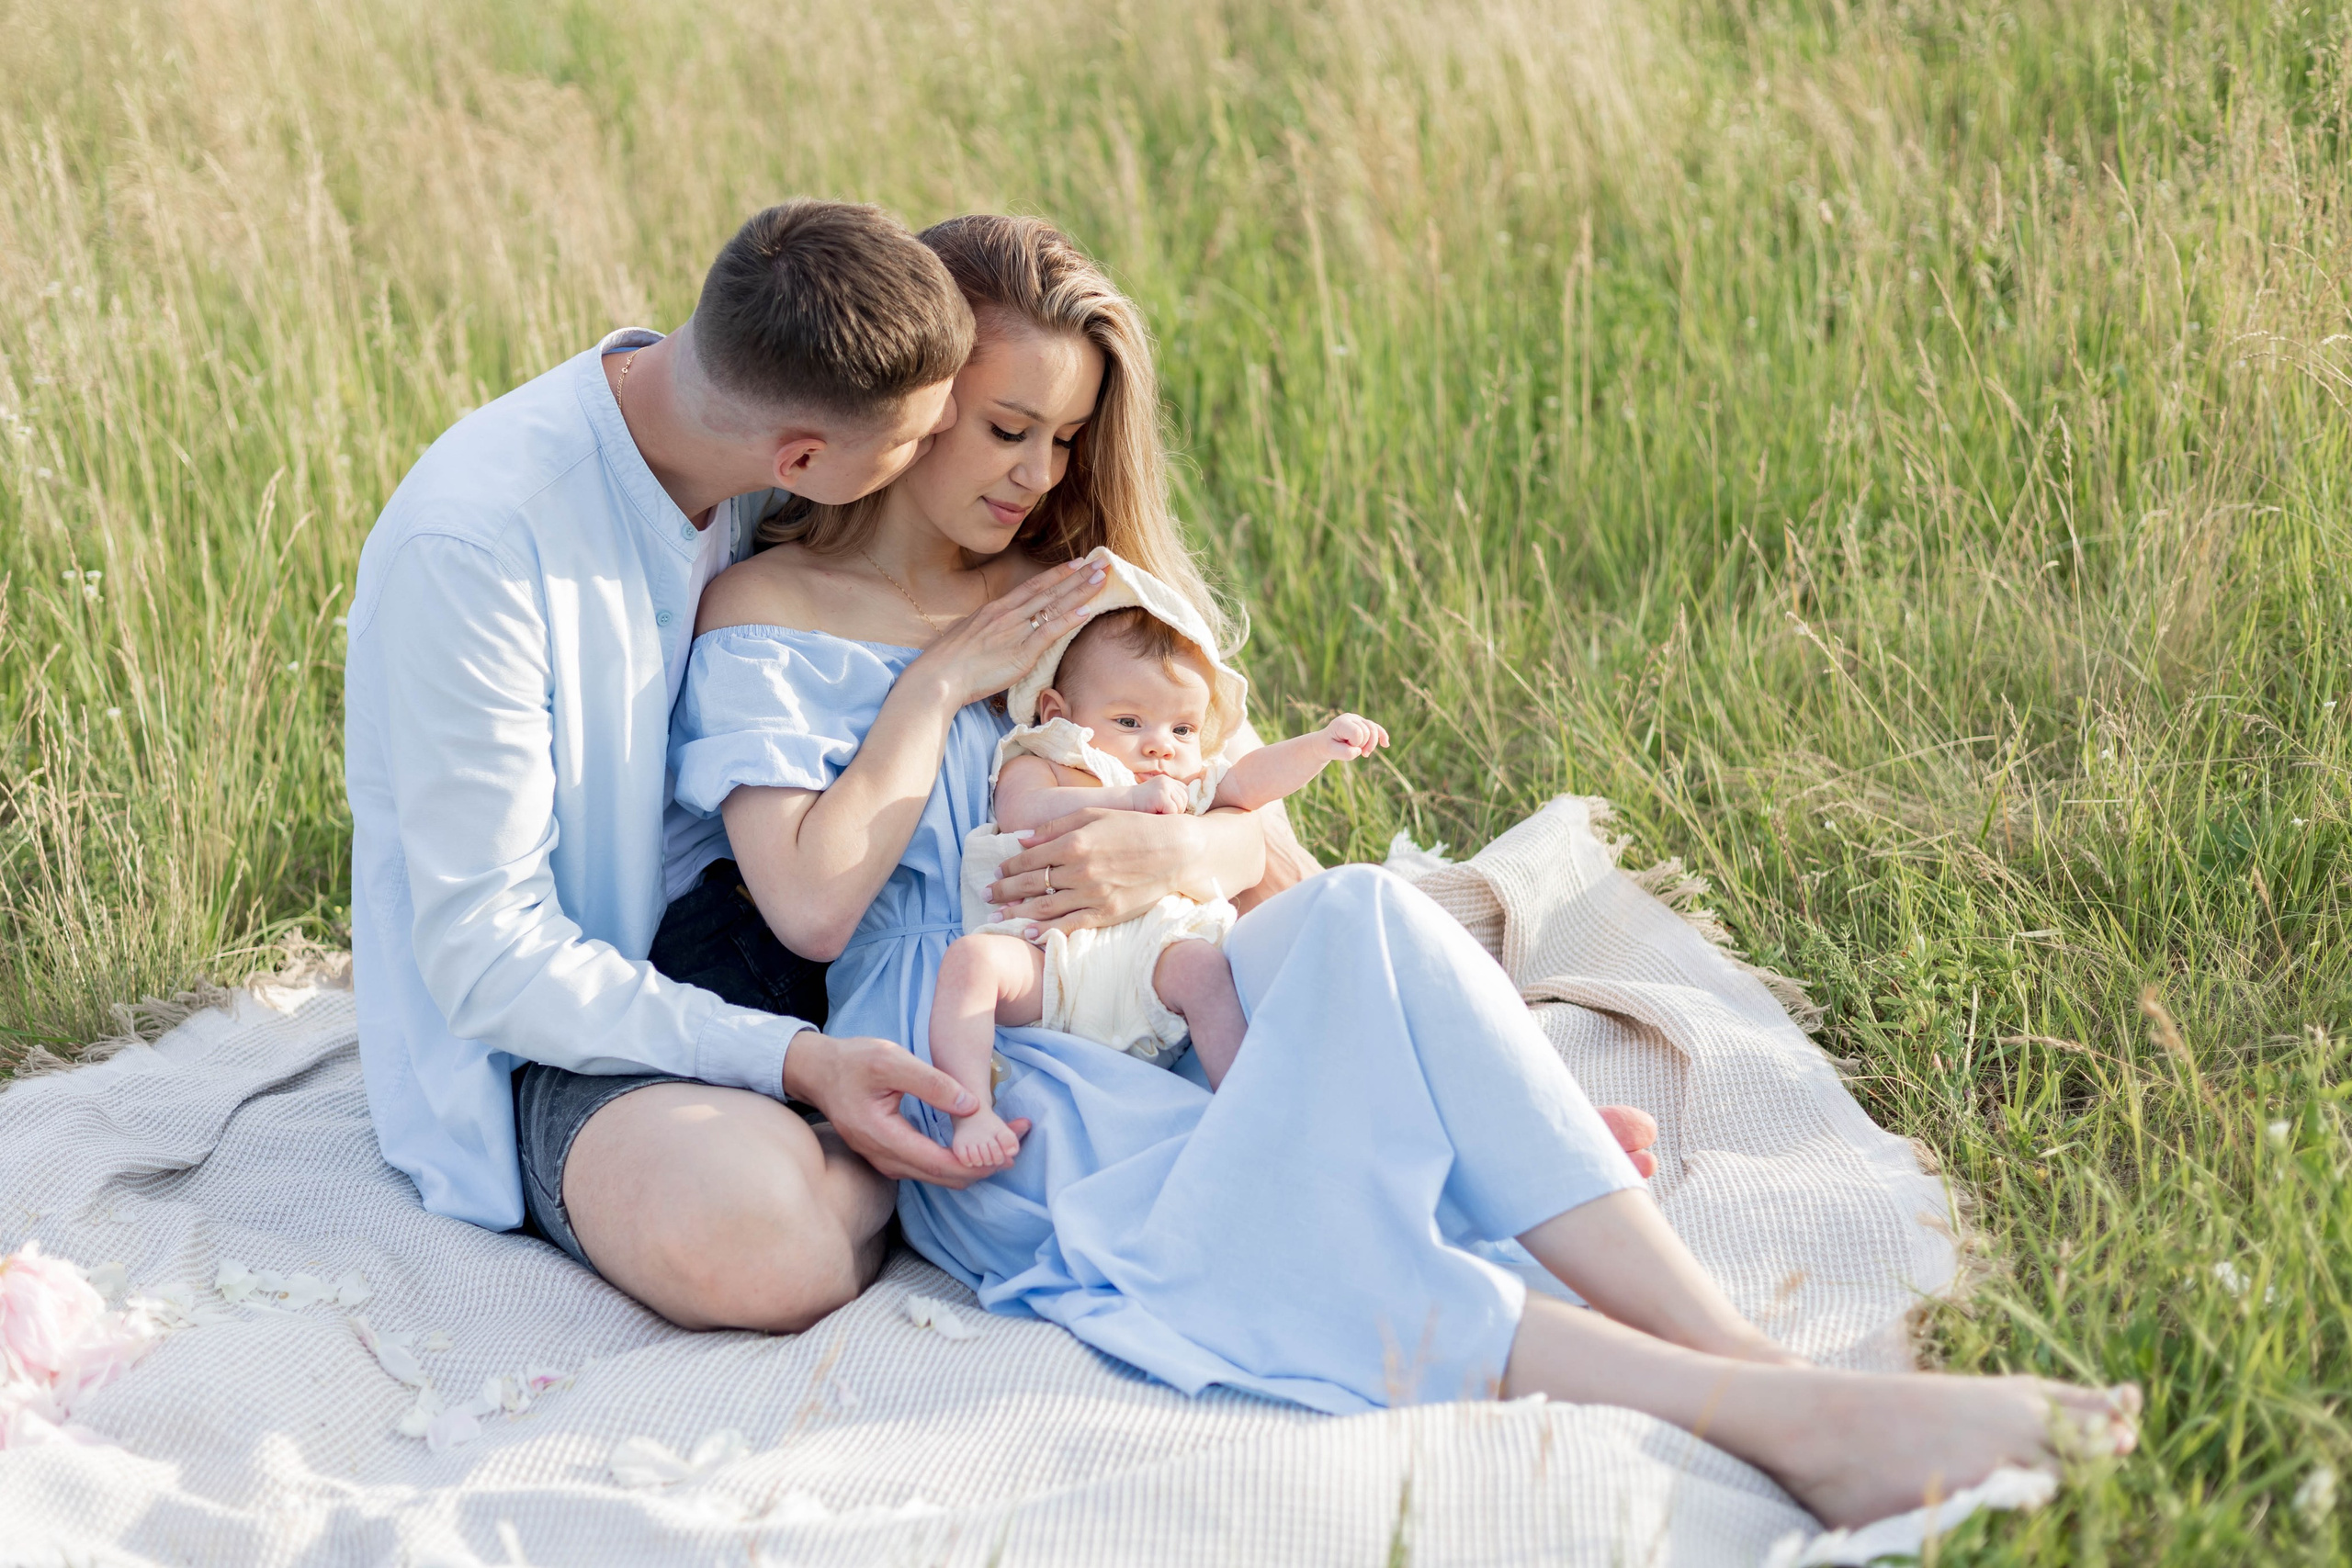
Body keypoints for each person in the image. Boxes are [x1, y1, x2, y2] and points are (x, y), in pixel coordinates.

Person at [664, 211, 2138, 1530]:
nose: (1037, 474)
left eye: (1063, 438)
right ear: (915, 406)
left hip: (1180, 987)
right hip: (994, 1039)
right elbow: (809, 904)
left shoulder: (1086, 595)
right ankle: (1780, 1416)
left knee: (1368, 912)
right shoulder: (775, 600)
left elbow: (1284, 862)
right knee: (1297, 1209)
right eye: (1002, 428)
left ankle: (1748, 1353)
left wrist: (1186, 841)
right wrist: (936, 687)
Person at [935, 574, 1390, 1169]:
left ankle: (1250, 1108)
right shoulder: (1045, 757)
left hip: (1149, 960)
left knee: (1205, 972)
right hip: (1048, 961)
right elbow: (1024, 812)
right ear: (1058, 711)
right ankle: (970, 1111)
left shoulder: (1182, 781)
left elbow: (1249, 781)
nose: (1159, 746)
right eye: (1130, 721)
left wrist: (1320, 745)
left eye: (1182, 729)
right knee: (971, 965)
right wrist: (1126, 802)